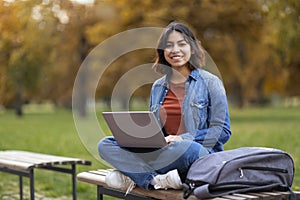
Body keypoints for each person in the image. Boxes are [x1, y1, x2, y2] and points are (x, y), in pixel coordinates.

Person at [98, 21, 231, 194]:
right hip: (163, 151)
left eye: (182, 44)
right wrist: (141, 136)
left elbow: (222, 131)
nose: (175, 50)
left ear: (192, 49)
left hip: (195, 154)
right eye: (169, 45)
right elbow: (158, 130)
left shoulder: (211, 83)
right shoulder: (158, 86)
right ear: (163, 52)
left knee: (186, 149)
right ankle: (153, 180)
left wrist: (183, 138)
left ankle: (132, 173)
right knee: (105, 144)